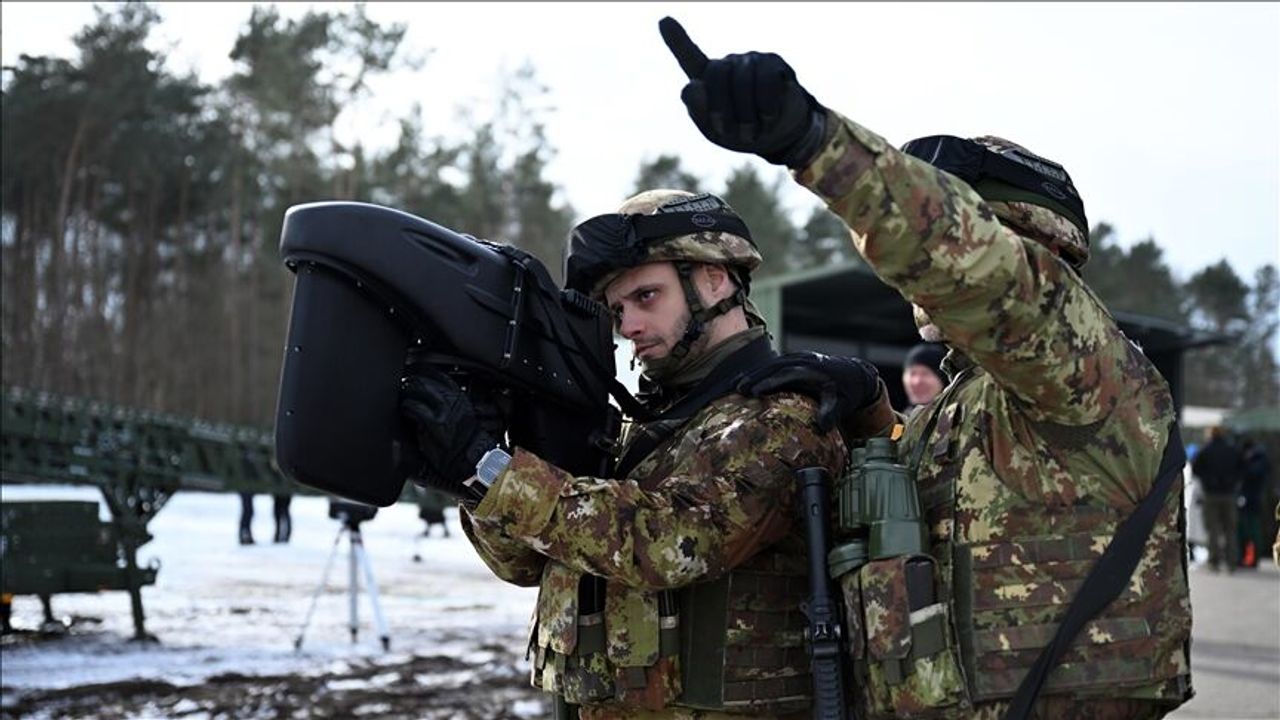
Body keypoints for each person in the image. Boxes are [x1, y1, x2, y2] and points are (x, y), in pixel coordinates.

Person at [659, 17, 1193, 719]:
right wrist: (872, 412)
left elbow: (980, 272)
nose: (915, 282)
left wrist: (815, 144)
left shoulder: (1087, 372)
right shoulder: (965, 403)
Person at [400, 188, 894, 718]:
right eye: (617, 309)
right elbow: (525, 564)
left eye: (646, 297)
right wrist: (472, 480)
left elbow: (675, 542)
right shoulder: (637, 429)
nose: (628, 325)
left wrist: (494, 474)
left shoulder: (782, 418)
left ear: (714, 279)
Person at [1191, 426, 1242, 573]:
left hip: (1211, 494)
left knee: (1212, 529)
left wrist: (1208, 480)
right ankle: (1231, 562)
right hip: (1229, 494)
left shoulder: (1206, 450)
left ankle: (1214, 561)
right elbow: (1243, 467)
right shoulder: (1232, 450)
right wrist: (1233, 481)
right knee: (1230, 529)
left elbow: (1195, 468)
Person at [1238, 438, 1272, 568]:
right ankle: (1246, 557)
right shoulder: (1260, 459)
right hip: (1251, 498)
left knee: (1252, 530)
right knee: (1246, 530)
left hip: (1254, 499)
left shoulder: (1259, 460)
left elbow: (1252, 474)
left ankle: (1253, 558)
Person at [902, 342, 946, 414]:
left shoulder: (957, 419)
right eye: (912, 373)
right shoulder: (899, 422)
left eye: (925, 374)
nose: (917, 381)